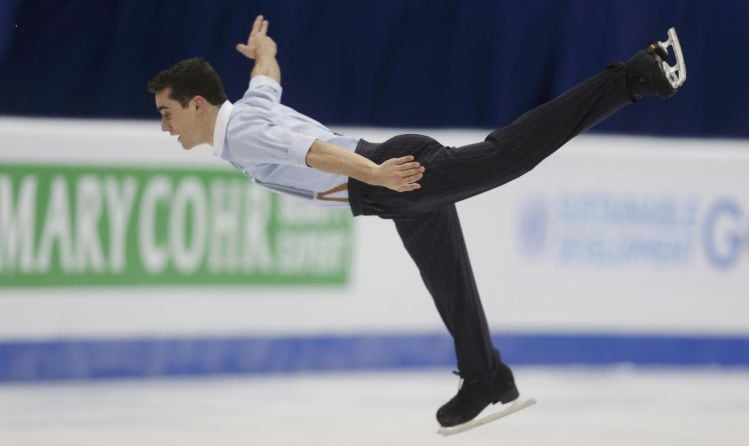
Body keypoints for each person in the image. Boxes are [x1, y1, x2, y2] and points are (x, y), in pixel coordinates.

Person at [147, 15, 685, 429]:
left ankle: (633, 78)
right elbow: (267, 79)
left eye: (167, 113)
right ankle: (485, 376)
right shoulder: (245, 113)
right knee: (446, 278)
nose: (165, 126)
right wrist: (265, 53)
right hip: (387, 186)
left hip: (393, 176)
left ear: (197, 105)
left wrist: (378, 176)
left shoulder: (242, 134)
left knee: (508, 154)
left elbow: (310, 151)